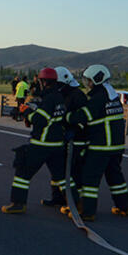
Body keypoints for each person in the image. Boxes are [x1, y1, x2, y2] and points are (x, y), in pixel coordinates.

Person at [65, 64, 128, 221]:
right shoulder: (113, 95)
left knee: (90, 179)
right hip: (117, 146)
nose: (87, 84)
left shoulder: (98, 97)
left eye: (88, 81)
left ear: (96, 79)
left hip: (101, 146)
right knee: (115, 177)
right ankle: (124, 207)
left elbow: (83, 116)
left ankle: (87, 212)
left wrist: (67, 117)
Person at [2, 68, 71, 214]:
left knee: (22, 173)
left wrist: (26, 112)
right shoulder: (59, 97)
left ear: (43, 81)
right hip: (57, 145)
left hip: (41, 144)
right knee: (61, 177)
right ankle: (76, 203)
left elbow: (40, 119)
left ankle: (18, 204)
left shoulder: (48, 98)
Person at [40, 66, 88, 207]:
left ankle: (75, 203)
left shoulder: (78, 96)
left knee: (74, 173)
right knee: (58, 171)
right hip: (62, 139)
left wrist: (74, 129)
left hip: (77, 140)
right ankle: (58, 198)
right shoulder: (59, 94)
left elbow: (84, 118)